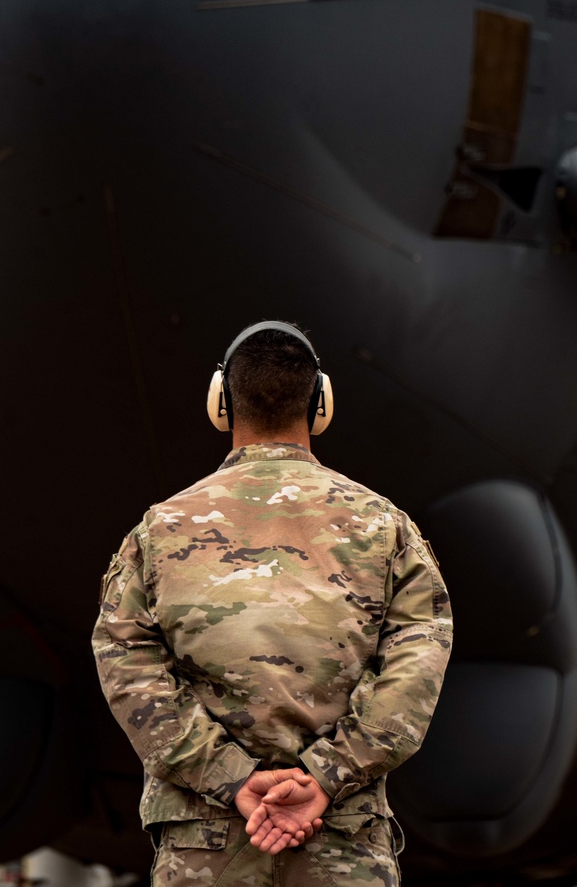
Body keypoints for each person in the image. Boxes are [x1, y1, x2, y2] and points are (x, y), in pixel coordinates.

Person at [92, 321, 452, 887]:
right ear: (321, 404)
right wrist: (327, 776)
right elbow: (417, 663)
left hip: (204, 845)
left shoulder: (159, 531)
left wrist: (230, 778)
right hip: (341, 838)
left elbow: (125, 661)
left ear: (220, 404)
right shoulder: (385, 527)